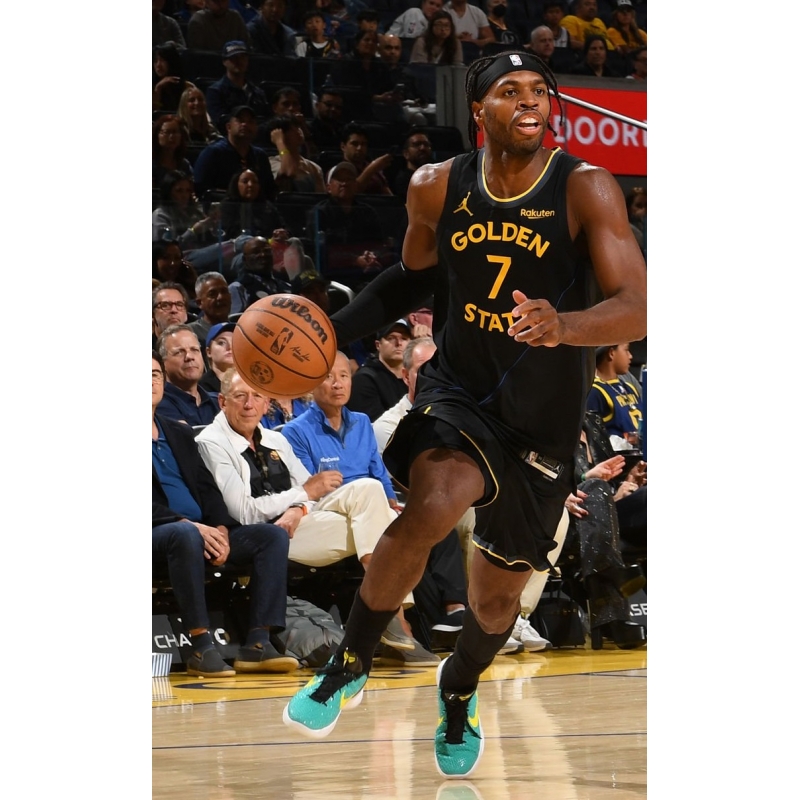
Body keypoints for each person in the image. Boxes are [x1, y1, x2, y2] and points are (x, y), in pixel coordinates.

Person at [283, 49, 647, 778]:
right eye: (510, 91)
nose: (530, 101)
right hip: (459, 390)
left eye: (540, 90)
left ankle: (458, 685)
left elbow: (638, 305)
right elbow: (407, 281)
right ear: (478, 110)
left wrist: (564, 326)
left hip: (542, 420)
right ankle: (350, 660)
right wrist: (331, 335)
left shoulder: (585, 187)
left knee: (496, 598)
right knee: (434, 500)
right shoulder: (435, 186)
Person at [152, 351, 298, 676]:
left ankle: (258, 642)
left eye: (155, 375)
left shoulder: (178, 431)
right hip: (160, 530)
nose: (150, 382)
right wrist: (186, 523)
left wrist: (220, 528)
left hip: (200, 530)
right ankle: (200, 646)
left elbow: (206, 487)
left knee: (271, 536)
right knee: (184, 534)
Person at [562, 409, 647, 649]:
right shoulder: (544, 422)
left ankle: (610, 574)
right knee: (596, 487)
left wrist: (627, 484)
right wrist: (585, 477)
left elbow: (610, 481)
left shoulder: (592, 420)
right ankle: (612, 587)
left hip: (606, 510)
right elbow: (542, 478)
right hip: (568, 512)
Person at [309, 161, 390, 283]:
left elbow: (380, 242)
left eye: (349, 179)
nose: (344, 183)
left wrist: (373, 255)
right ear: (328, 187)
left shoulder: (367, 211)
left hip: (368, 271)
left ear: (356, 186)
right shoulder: (319, 212)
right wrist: (354, 260)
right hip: (333, 276)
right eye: (339, 180)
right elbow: (320, 251)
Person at [193, 105, 278, 201]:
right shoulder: (213, 153)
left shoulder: (260, 156)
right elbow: (201, 189)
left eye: (250, 121)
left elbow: (269, 190)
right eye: (240, 120)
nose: (245, 124)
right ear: (228, 127)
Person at [157, 324, 221, 426]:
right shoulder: (158, 403)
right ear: (162, 363)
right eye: (179, 352)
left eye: (194, 350)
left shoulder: (218, 401)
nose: (189, 356)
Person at [347, 320, 412, 422]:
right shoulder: (364, 379)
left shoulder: (415, 376)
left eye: (404, 338)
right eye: (391, 338)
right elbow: (375, 425)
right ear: (378, 345)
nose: (398, 343)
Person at [205, 41, 271, 132]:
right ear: (224, 62)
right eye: (234, 57)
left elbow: (266, 119)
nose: (239, 61)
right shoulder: (215, 91)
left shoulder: (257, 93)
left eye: (242, 57)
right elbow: (219, 121)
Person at [586, 344, 642, 446]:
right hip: (619, 453)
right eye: (626, 350)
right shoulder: (595, 391)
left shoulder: (630, 387)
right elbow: (593, 439)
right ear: (611, 353)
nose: (630, 356)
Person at [227, 235, 293, 315]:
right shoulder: (238, 288)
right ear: (245, 259)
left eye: (267, 251)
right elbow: (236, 320)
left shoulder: (286, 286)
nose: (263, 255)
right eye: (256, 252)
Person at [152, 170, 222, 246]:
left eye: (188, 190)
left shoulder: (194, 212)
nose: (184, 195)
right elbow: (166, 248)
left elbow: (214, 240)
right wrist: (193, 232)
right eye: (179, 191)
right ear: (168, 192)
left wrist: (213, 225)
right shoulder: (160, 216)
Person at [219, 168, 287, 240]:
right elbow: (226, 233)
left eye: (254, 182)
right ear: (236, 185)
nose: (250, 185)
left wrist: (281, 233)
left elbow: (283, 227)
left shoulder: (267, 206)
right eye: (245, 181)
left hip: (267, 243)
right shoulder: (227, 206)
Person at [266, 116, 325, 194]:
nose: (298, 131)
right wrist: (279, 142)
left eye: (297, 127)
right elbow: (288, 172)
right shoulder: (272, 162)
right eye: (291, 129)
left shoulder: (313, 167)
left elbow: (320, 196)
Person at [339, 123, 394, 197]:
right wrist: (372, 169)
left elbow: (389, 196)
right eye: (354, 144)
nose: (359, 148)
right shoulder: (338, 170)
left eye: (363, 144)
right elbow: (351, 193)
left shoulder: (374, 168)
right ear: (343, 146)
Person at [189, 271, 233, 348]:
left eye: (224, 291)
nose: (220, 297)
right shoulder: (189, 333)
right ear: (199, 303)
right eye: (212, 294)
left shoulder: (241, 331)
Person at [153, 241, 199, 306]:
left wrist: (194, 281)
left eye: (177, 258)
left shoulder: (186, 287)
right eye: (166, 258)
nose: (172, 263)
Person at [153, 114, 193, 189]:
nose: (171, 136)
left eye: (175, 132)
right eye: (167, 132)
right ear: (157, 135)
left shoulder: (184, 165)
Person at [393, 131, 434, 201]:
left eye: (426, 145)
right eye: (416, 145)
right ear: (406, 154)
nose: (422, 148)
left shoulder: (439, 176)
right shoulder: (403, 180)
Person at [153, 43, 194, 113]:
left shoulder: (187, 87)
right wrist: (158, 88)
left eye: (163, 60)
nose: (158, 65)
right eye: (155, 61)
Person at [199, 322, 236, 393]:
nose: (230, 347)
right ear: (209, 352)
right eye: (221, 343)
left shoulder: (250, 383)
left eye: (234, 342)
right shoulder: (202, 388)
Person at [153, 282, 190, 349]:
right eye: (165, 305)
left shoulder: (199, 345)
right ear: (153, 313)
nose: (174, 310)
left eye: (179, 305)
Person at [625, 185, 646, 253]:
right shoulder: (627, 228)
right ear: (629, 208)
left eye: (646, 205)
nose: (643, 209)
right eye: (638, 206)